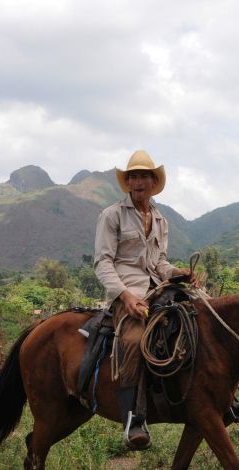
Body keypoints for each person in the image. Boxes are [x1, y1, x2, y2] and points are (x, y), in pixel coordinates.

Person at [94, 150, 193, 450]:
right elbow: (103, 263)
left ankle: (217, 399)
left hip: (157, 291)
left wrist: (180, 273)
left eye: (144, 176)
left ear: (153, 182)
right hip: (126, 294)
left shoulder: (161, 220)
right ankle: (133, 418)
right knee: (136, 339)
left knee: (198, 319)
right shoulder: (112, 215)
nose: (138, 182)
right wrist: (124, 297)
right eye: (133, 176)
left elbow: (159, 262)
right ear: (127, 183)